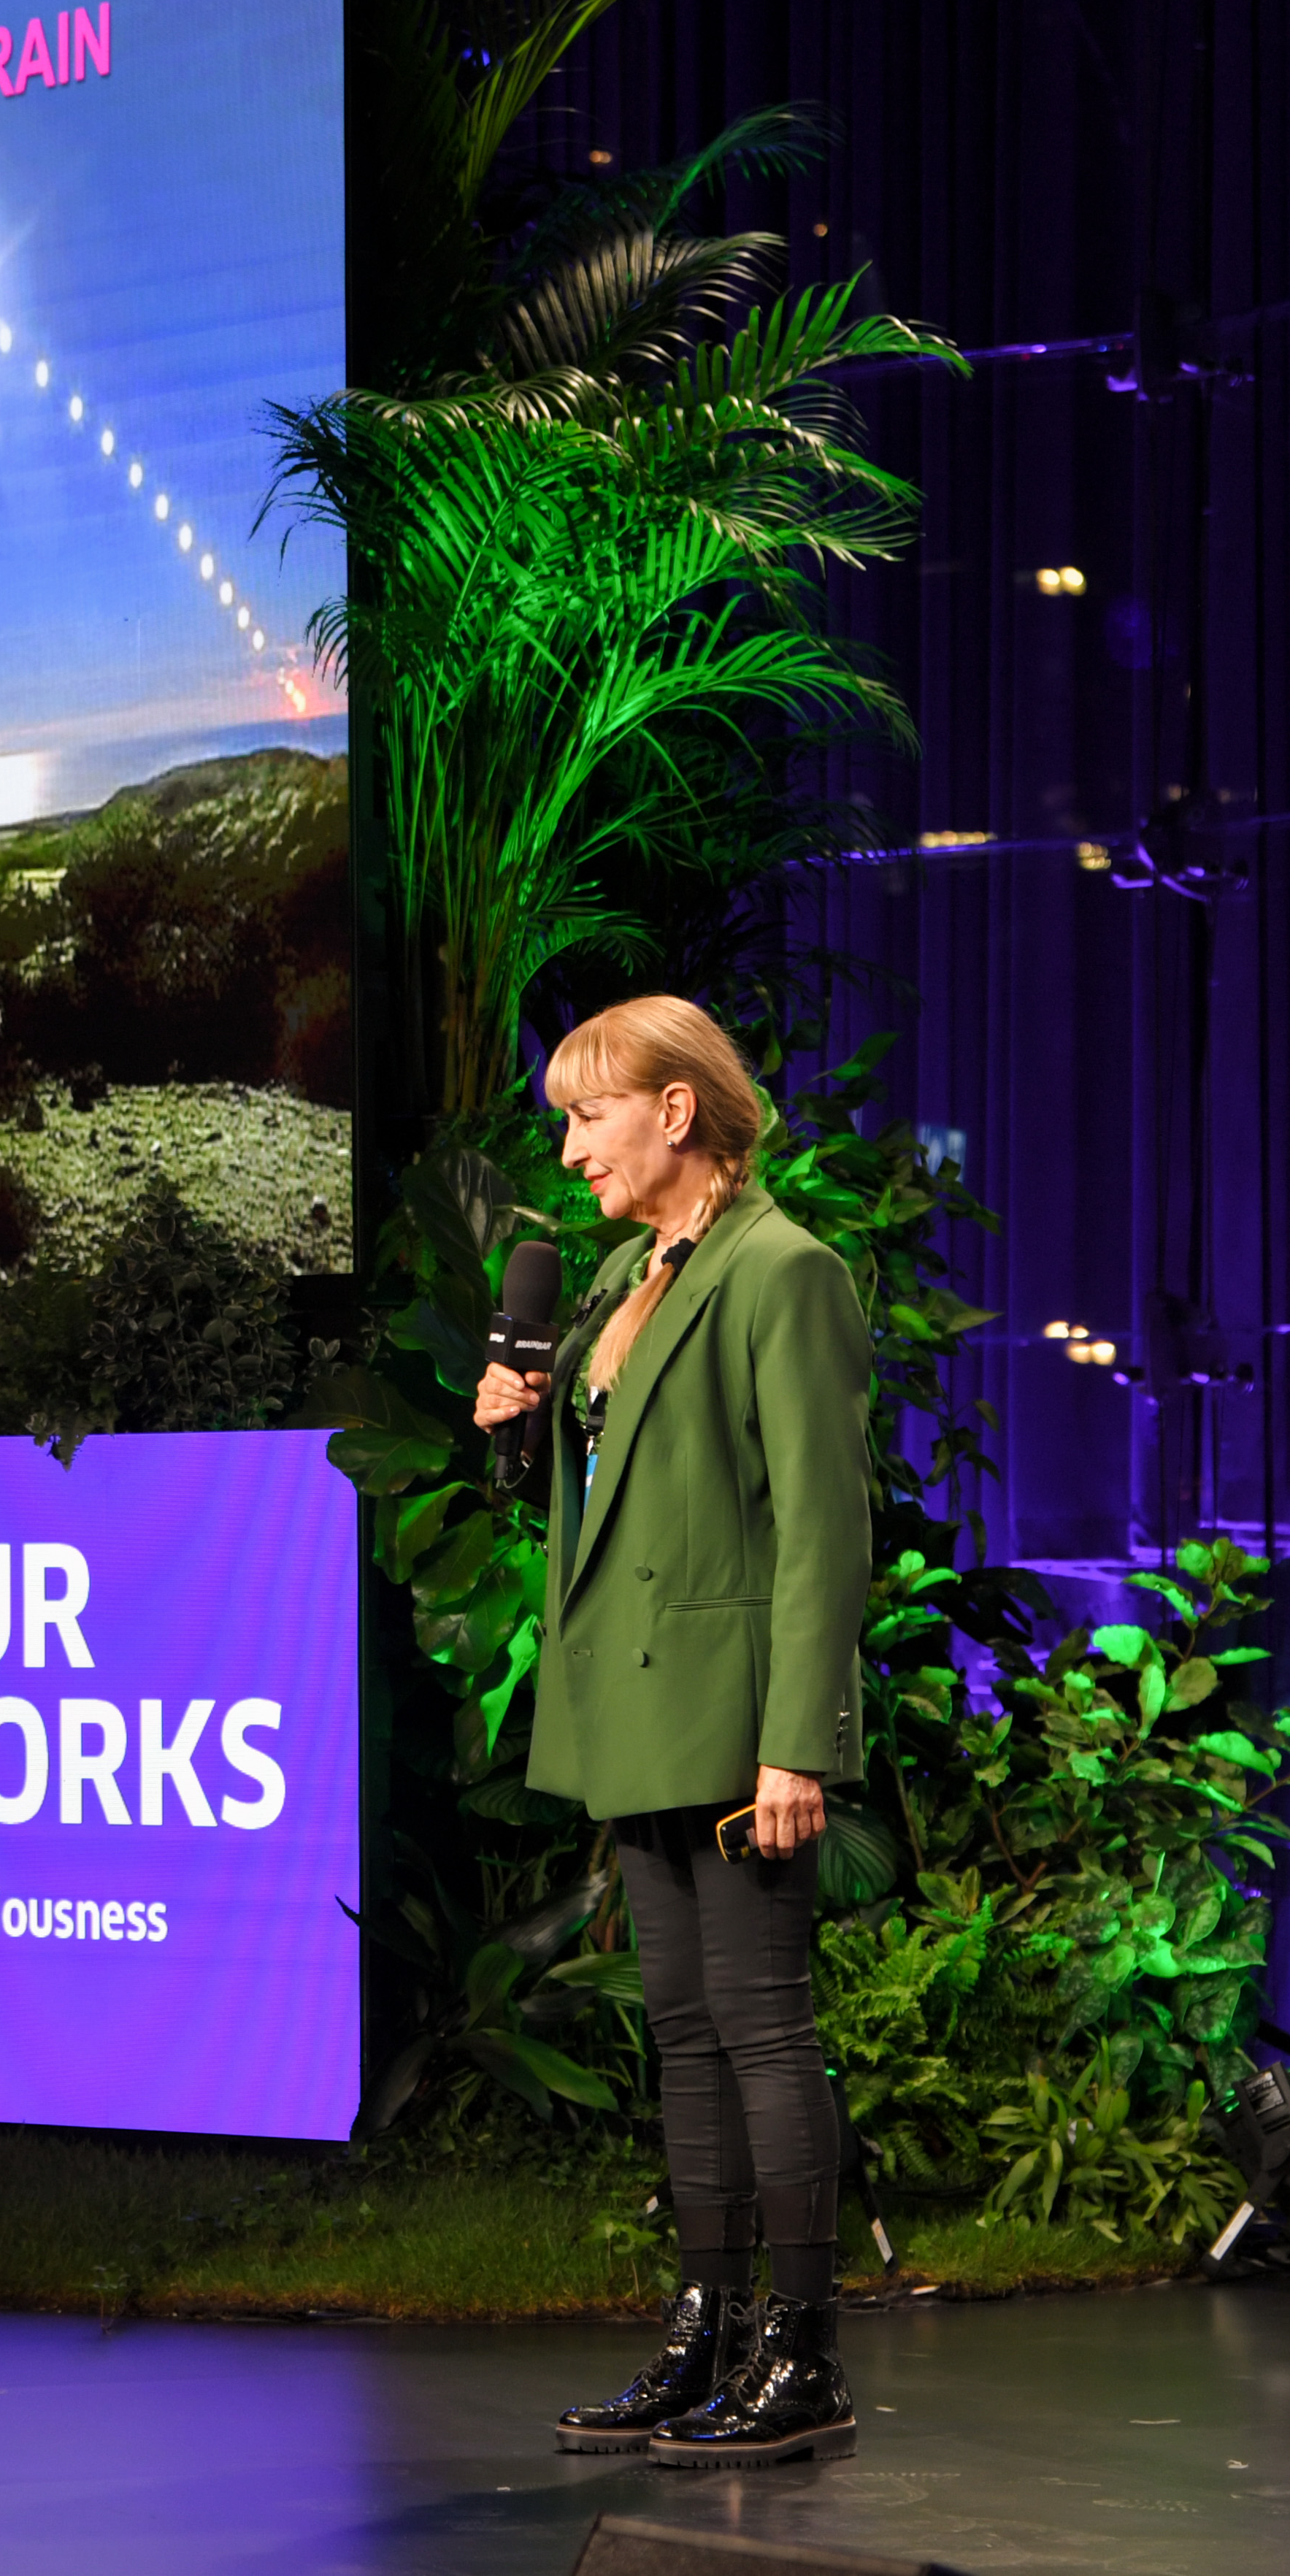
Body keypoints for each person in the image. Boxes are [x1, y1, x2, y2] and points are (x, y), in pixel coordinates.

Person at [472, 993, 872, 2471]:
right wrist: (520, 1429)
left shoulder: (783, 1273)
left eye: (592, 1113)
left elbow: (822, 1532)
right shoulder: (616, 1288)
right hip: (637, 1712)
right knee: (691, 2038)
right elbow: (604, 1494)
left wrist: (797, 1744)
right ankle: (704, 2331)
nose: (572, 1146)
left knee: (765, 2029)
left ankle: (805, 2349)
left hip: (732, 1718)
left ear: (677, 1111)